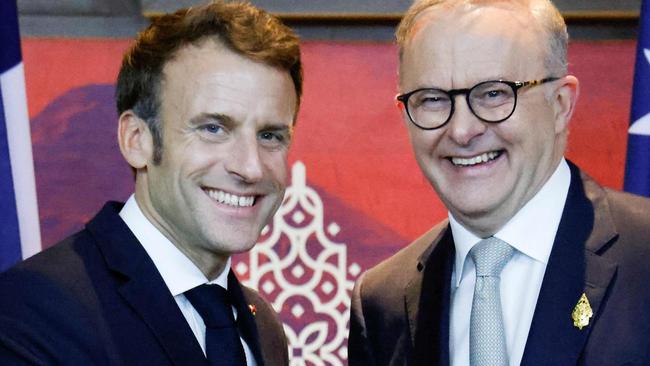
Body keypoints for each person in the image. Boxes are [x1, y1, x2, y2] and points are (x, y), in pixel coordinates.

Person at [349, 0, 650, 365]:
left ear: (560, 104)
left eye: (494, 93)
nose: (461, 131)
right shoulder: (383, 303)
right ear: (405, 115)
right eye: (432, 99)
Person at [0, 1, 302, 365]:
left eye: (270, 135)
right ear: (137, 140)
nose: (251, 167)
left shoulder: (262, 324)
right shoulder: (35, 310)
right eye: (213, 128)